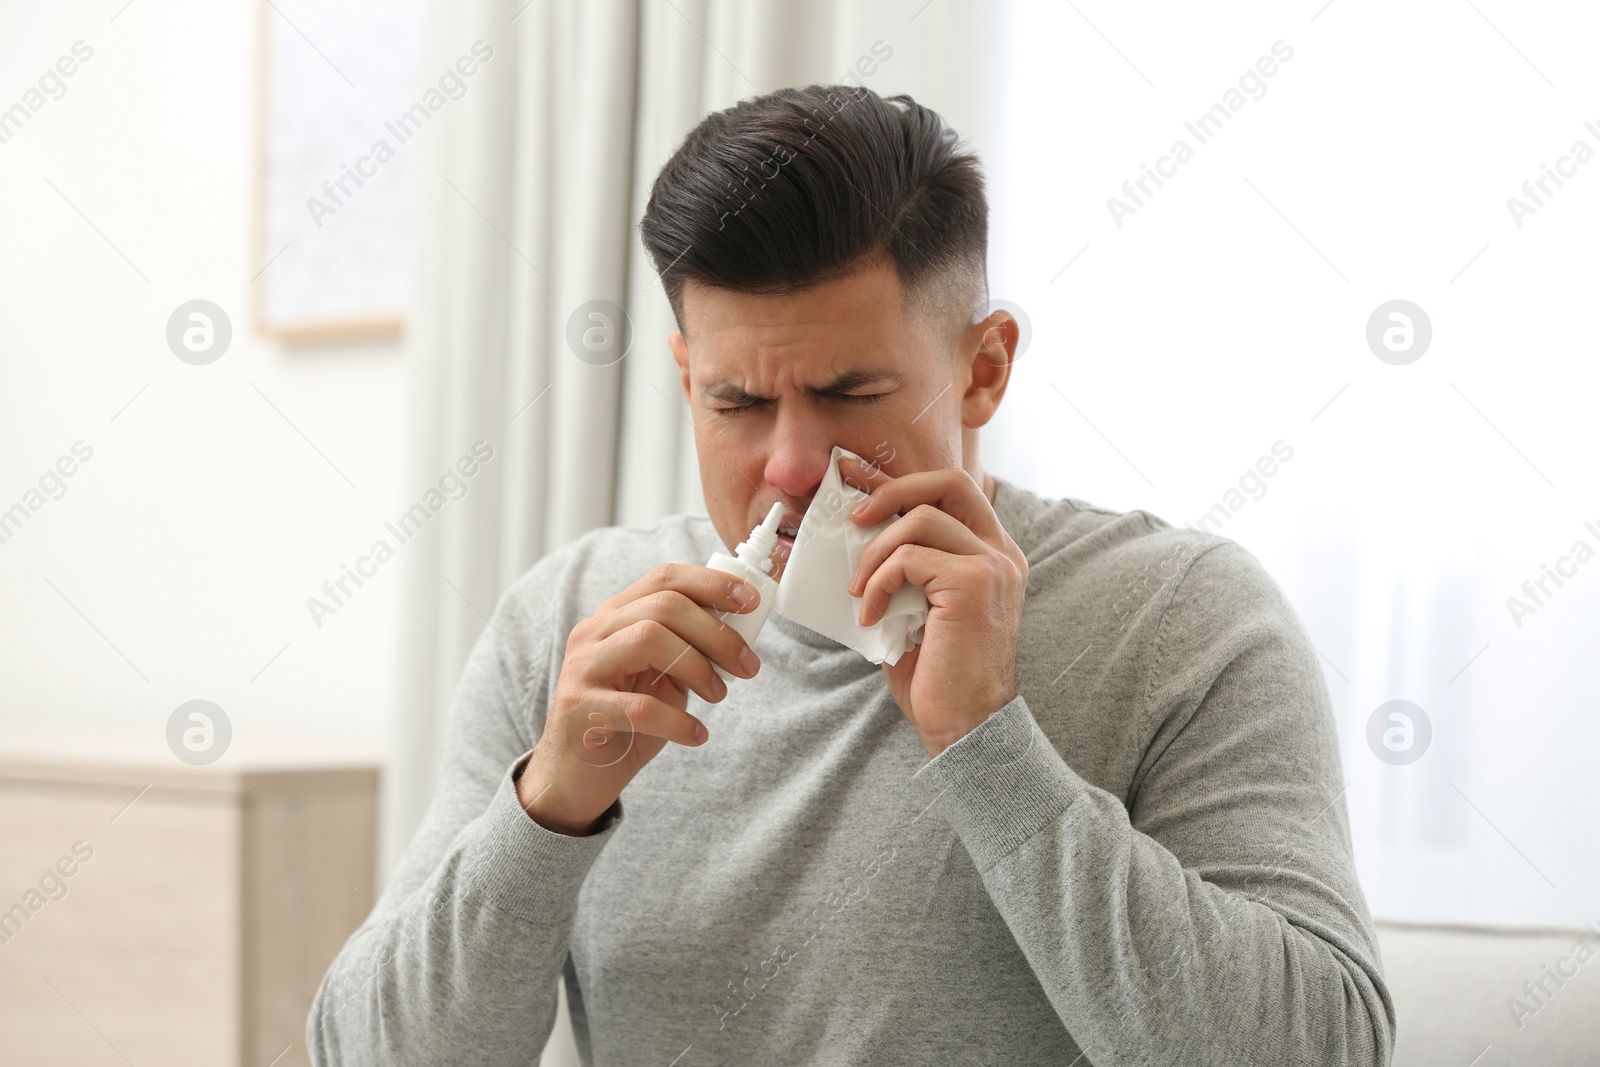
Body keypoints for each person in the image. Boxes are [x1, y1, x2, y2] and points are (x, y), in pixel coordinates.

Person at [307, 84, 1394, 1066]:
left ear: (983, 368)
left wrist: (987, 742)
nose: (786, 464)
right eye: (735, 401)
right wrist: (546, 810)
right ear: (686, 376)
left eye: (849, 392)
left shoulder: (1182, 619)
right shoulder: (565, 623)